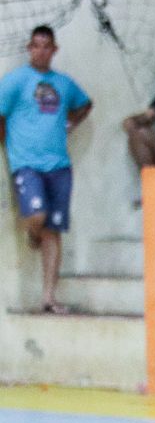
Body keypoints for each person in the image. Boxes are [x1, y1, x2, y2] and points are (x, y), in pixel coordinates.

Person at [0, 25, 92, 314]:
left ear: (54, 50)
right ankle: (33, 231)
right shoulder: (15, 80)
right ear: (29, 48)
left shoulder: (63, 83)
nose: (40, 51)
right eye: (36, 46)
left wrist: (71, 123)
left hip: (60, 166)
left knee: (54, 231)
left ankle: (49, 298)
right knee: (38, 216)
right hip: (26, 164)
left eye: (46, 46)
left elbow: (85, 104)